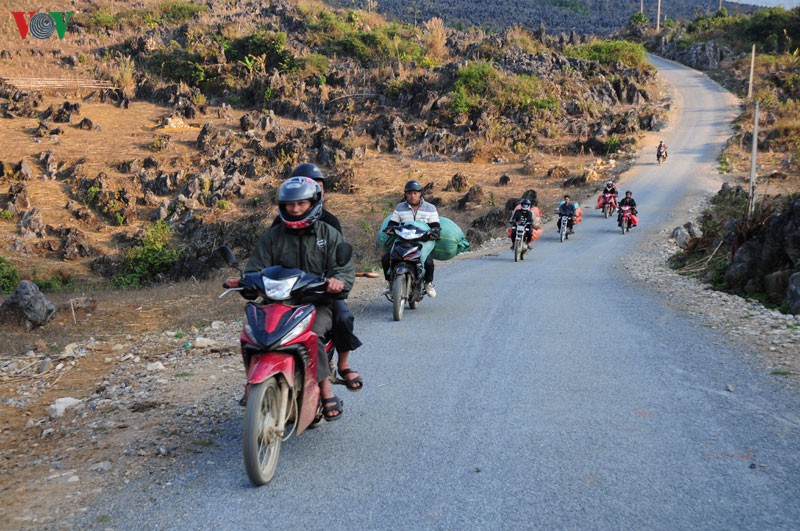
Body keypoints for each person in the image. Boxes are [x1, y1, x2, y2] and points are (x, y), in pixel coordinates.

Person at [245, 176, 354, 420]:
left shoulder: (329, 232)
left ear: (313, 202)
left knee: (310, 335)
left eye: (301, 204)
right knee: (254, 333)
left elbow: (343, 268)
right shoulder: (273, 236)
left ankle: (325, 389)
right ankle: (253, 384)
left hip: (316, 302)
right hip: (277, 303)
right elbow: (256, 266)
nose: (294, 209)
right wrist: (245, 280)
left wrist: (338, 281)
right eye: (289, 204)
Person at [272, 163, 363, 391]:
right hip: (288, 290)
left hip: (322, 290)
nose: (317, 189)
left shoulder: (330, 222)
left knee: (343, 316)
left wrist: (334, 280)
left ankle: (343, 364)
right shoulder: (279, 223)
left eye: (319, 185)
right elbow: (267, 258)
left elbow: (338, 259)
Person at [381, 180, 441, 298]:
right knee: (386, 259)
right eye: (409, 193)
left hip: (422, 241)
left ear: (420, 194)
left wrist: (434, 232)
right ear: (405, 194)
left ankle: (428, 283)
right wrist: (390, 229)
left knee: (428, 262)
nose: (412, 196)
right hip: (403, 240)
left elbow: (435, 226)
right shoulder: (400, 207)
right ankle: (390, 282)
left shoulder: (430, 208)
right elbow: (393, 222)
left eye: (415, 193)